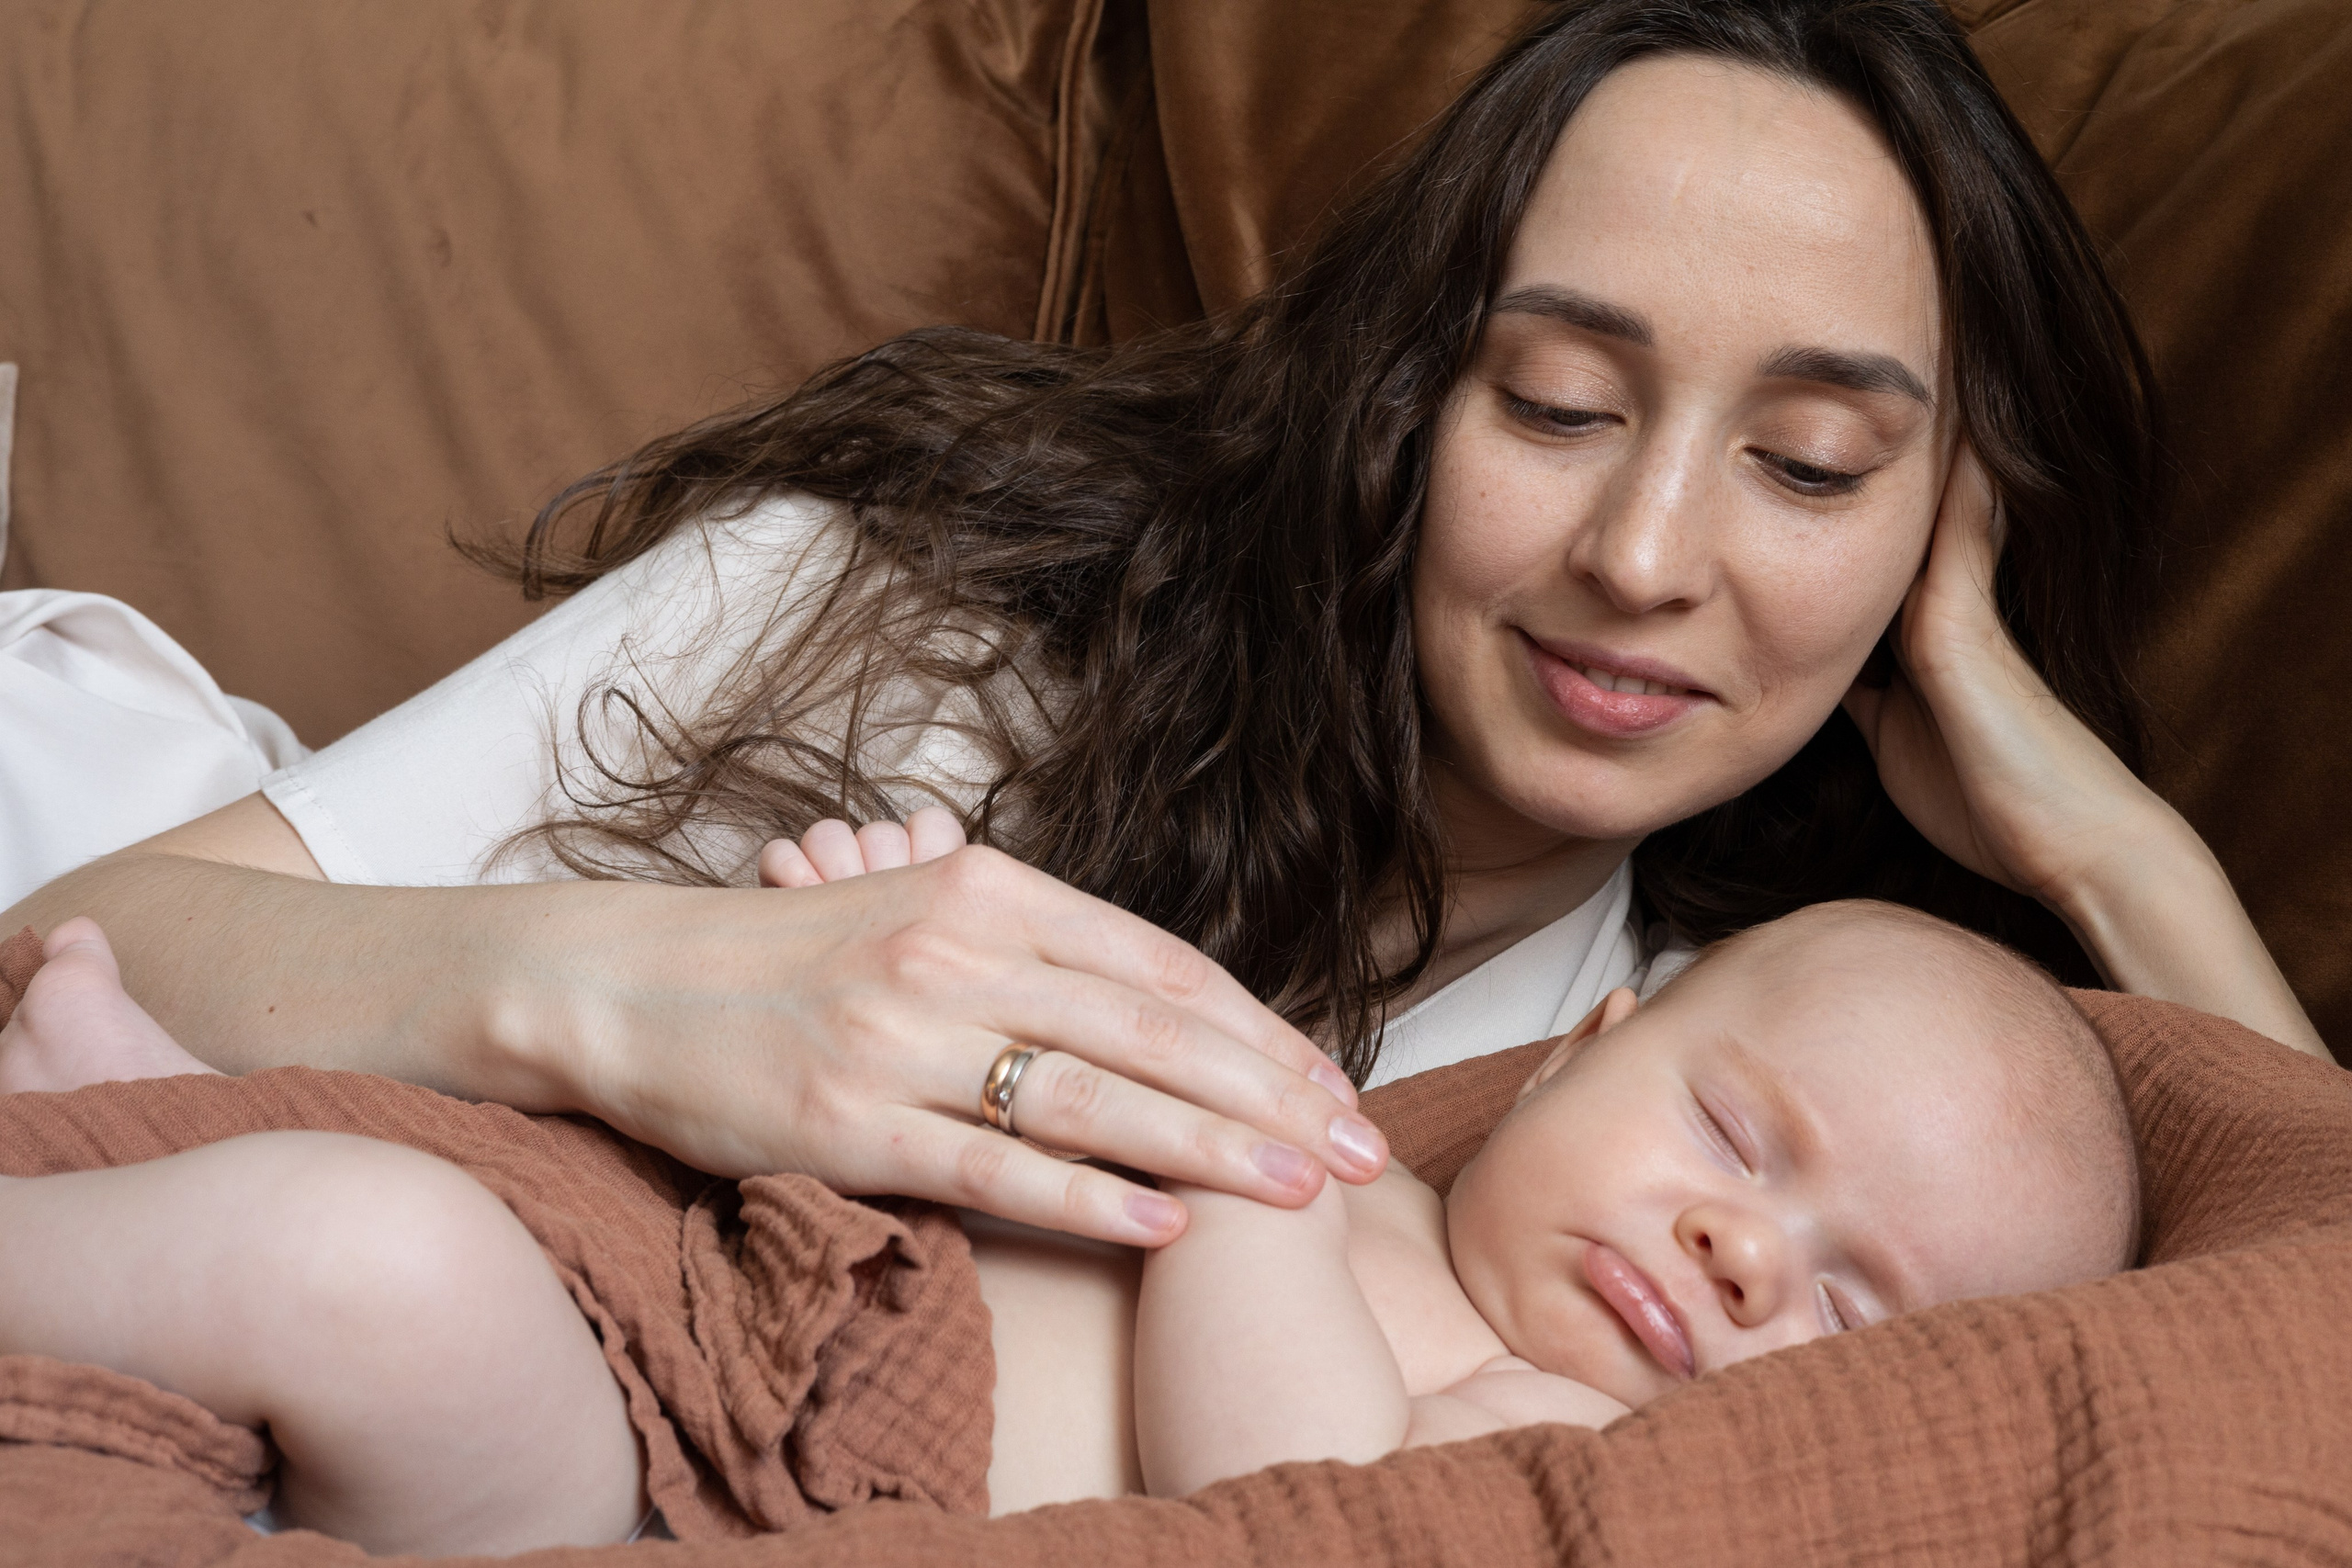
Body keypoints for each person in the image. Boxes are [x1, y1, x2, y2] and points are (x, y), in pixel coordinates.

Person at [0, 0, 2323, 1260]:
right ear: (1399, 397)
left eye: (1808, 466)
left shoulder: (1761, 1060)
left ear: (1947, 525)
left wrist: (2113, 850)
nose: (1640, 551)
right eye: (1555, 400)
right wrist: (634, 990)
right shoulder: (904, 614)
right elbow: (94, 929)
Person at [0, 897, 2139, 1551]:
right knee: (414, 1175)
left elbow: (1280, 1481)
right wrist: (852, 884)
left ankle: (112, 1179)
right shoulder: (1353, 1136)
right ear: (1589, 1037)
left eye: (1849, 1301)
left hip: (688, 1474)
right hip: (716, 1270)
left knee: (371, 1265)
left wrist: (1254, 1175)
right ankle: (126, 1106)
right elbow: (897, 1070)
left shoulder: (1529, 1431)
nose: (1746, 1253)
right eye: (1737, 1134)